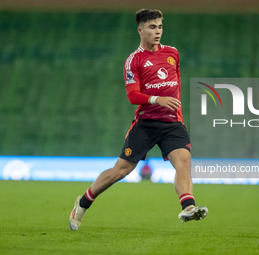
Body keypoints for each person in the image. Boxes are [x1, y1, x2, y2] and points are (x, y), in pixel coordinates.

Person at [69, 8, 208, 230]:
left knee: (184, 162)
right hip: (146, 124)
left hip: (173, 123)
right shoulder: (133, 61)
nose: (158, 31)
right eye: (152, 27)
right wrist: (157, 99)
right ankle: (83, 203)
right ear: (140, 30)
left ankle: (188, 206)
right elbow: (133, 95)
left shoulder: (172, 53)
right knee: (121, 171)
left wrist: (168, 102)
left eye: (160, 26)